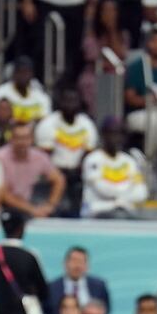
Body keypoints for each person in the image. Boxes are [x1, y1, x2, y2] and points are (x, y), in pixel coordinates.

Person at [35, 88, 99, 218]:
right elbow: (44, 156)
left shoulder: (87, 124)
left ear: (79, 103)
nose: (70, 105)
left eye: (74, 101)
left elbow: (89, 154)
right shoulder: (48, 123)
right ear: (60, 103)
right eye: (67, 101)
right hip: (53, 173)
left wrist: (77, 170)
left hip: (78, 174)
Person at [0, 121, 66, 219]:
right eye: (18, 138)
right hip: (3, 208)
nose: (22, 142)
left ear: (31, 139)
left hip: (28, 206)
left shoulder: (39, 157)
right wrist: (32, 210)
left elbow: (59, 180)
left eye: (26, 138)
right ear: (11, 139)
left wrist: (50, 205)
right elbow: (2, 193)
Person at [81, 116, 147, 219]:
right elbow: (103, 189)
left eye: (120, 133)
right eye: (112, 133)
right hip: (98, 211)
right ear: (103, 134)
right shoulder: (92, 159)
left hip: (124, 211)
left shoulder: (129, 161)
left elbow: (141, 192)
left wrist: (120, 201)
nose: (116, 137)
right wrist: (124, 195)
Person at [46, 246, 110, 314]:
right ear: (65, 263)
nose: (77, 265)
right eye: (74, 261)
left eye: (81, 261)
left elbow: (105, 309)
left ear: (87, 265)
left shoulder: (99, 286)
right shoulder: (52, 288)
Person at [0, 57, 52, 123]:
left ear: (32, 74)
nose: (23, 76)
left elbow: (46, 120)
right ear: (14, 74)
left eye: (26, 72)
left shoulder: (40, 95)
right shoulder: (1, 92)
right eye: (20, 72)